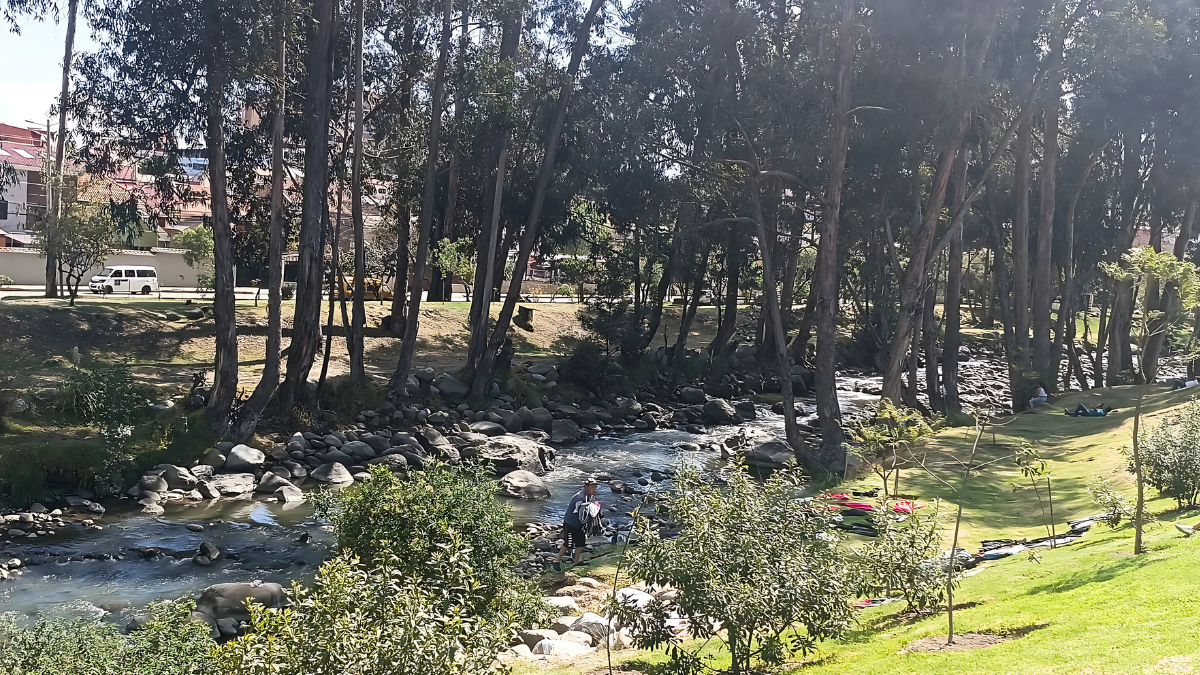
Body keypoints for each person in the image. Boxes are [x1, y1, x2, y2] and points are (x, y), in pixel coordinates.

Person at [553, 478, 600, 572]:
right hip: (571, 523)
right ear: (586, 487)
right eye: (592, 487)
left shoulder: (589, 496)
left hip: (579, 524)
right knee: (568, 543)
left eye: (595, 487)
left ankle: (577, 562)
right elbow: (581, 513)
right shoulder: (580, 498)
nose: (594, 489)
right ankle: (556, 561)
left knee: (581, 542)